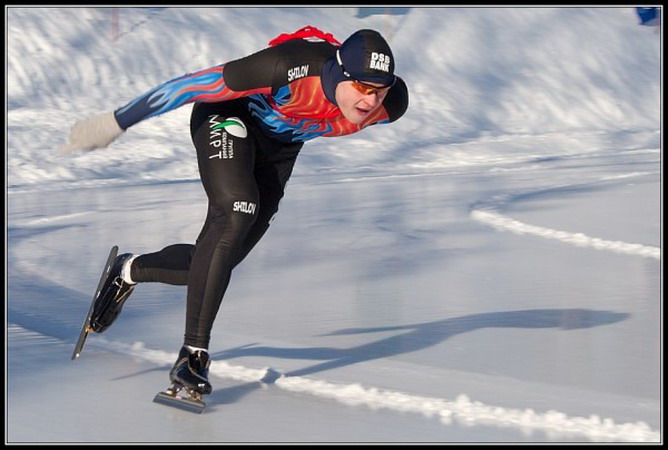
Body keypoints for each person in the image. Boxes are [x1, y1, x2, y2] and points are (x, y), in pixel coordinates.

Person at [61, 26, 409, 398]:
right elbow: (191, 85)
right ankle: (192, 356)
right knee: (237, 211)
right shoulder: (290, 67)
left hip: (279, 151)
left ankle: (127, 270)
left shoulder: (392, 105)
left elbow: (372, 100)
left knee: (217, 260)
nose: (371, 101)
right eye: (361, 87)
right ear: (339, 74)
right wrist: (116, 122)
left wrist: (376, 94)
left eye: (379, 90)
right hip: (228, 116)